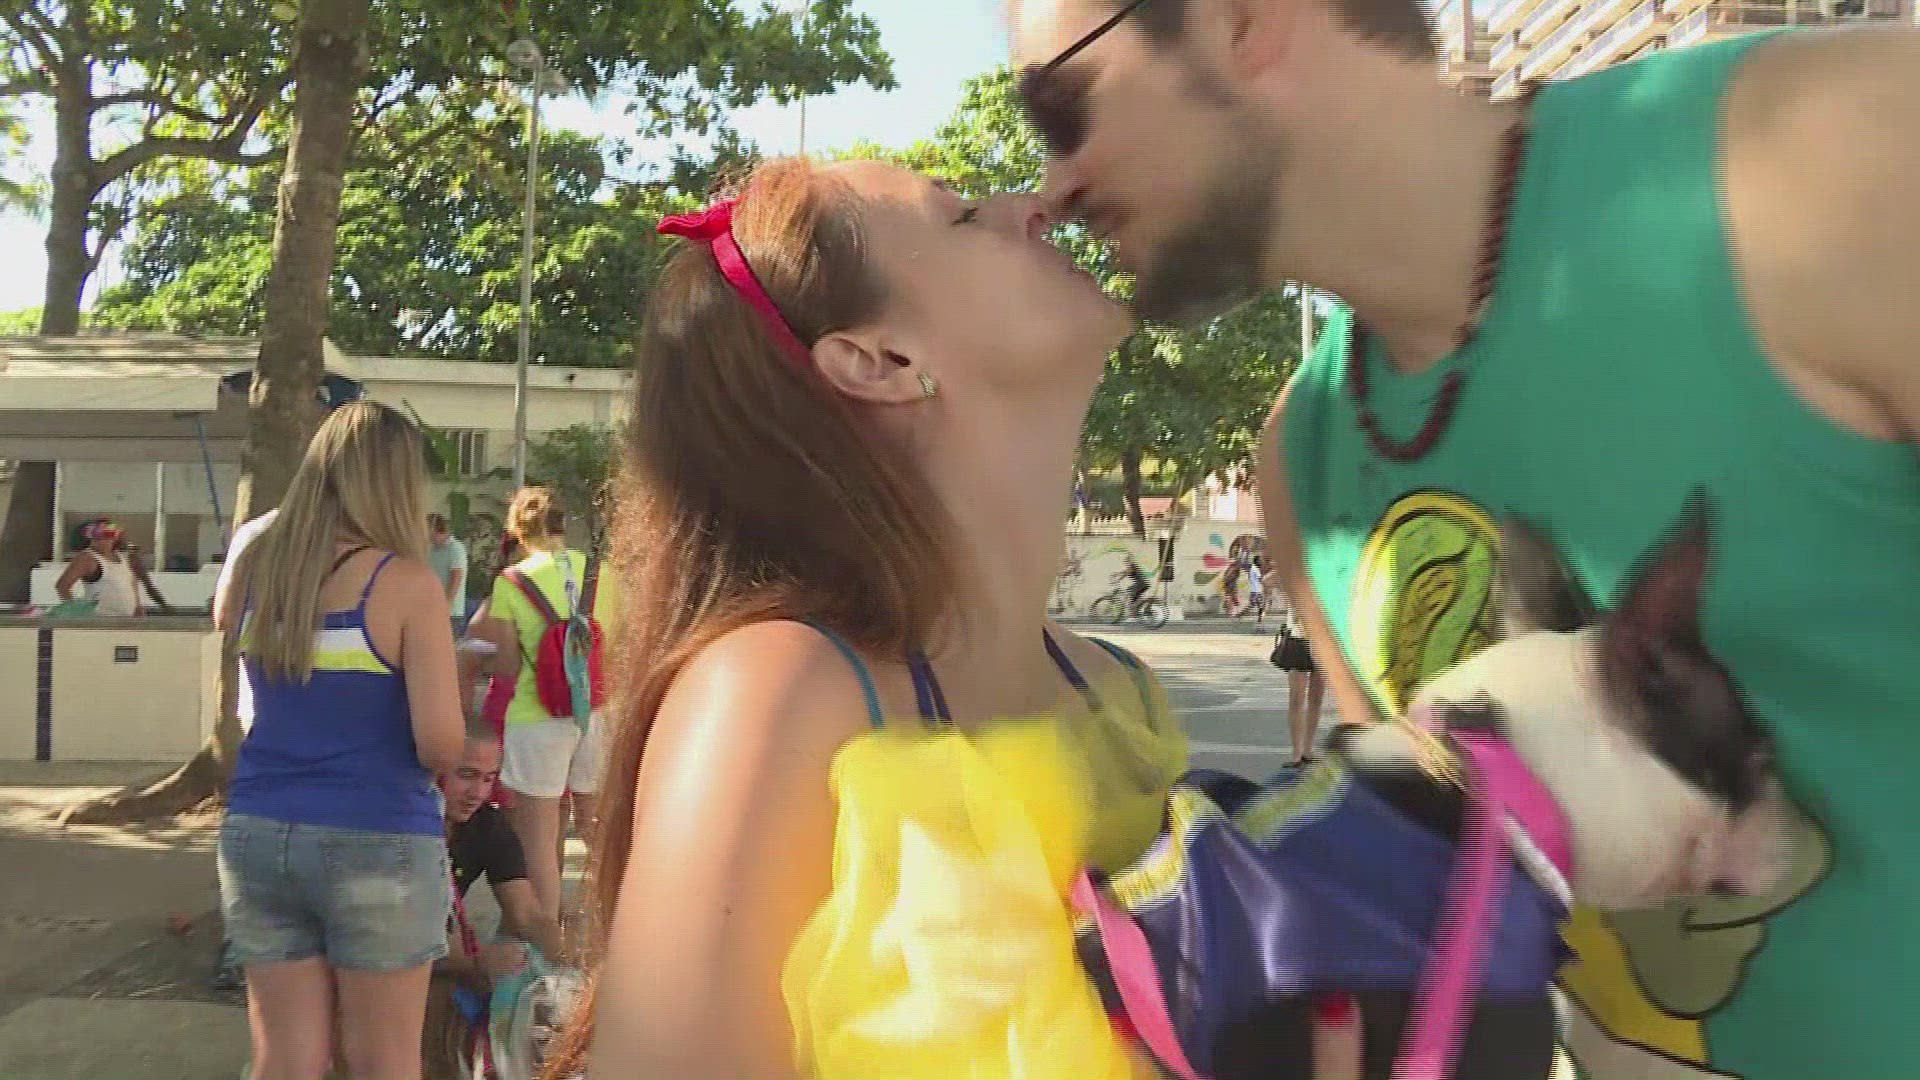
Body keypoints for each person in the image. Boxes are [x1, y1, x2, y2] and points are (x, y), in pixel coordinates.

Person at [1008, 2, 1918, 1075]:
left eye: (1061, 109)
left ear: (1243, 19)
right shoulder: (1302, 459)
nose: (1051, 187)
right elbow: (1453, 913)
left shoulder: (1832, 147)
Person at [554, 158, 1188, 1080]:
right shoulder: (773, 698)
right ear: (879, 362)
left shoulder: (1123, 691)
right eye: (962, 215)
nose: (1035, 205)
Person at [215, 401, 465, 1080]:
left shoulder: (258, 568)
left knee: (284, 1059)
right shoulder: (405, 582)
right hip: (376, 832)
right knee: (385, 1059)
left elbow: (228, 638)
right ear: (395, 484)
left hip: (258, 830)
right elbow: (440, 745)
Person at [464, 487, 611, 928]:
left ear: (517, 530)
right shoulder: (602, 574)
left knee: (540, 842)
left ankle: (547, 942)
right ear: (563, 524)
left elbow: (507, 665)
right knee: (600, 831)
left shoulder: (511, 582)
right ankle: (616, 927)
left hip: (536, 718)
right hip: (598, 712)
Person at [422, 723, 567, 1080]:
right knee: (441, 997)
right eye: (467, 775)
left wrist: (572, 960)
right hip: (377, 950)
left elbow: (527, 915)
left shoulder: (488, 824)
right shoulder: (402, 825)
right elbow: (399, 937)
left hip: (430, 946)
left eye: (489, 779)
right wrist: (479, 959)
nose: (478, 792)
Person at [1268, 582, 1324, 767]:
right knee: (1296, 698)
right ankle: (1297, 753)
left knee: (1316, 698)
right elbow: (1268, 579)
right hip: (1298, 640)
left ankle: (1307, 749)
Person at [54, 519, 141, 617]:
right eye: (96, 536)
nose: (100, 540)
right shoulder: (87, 558)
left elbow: (132, 583)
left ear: (115, 537)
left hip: (126, 618)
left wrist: (137, 606)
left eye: (106, 535)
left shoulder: (123, 557)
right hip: (99, 619)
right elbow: (62, 586)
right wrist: (75, 611)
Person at [427, 513, 469, 640]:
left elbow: (456, 577)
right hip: (433, 609)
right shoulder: (432, 550)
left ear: (434, 529)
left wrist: (446, 606)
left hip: (451, 612)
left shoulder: (456, 548)